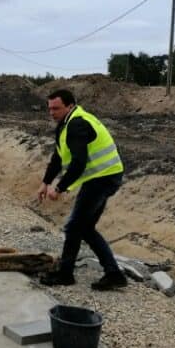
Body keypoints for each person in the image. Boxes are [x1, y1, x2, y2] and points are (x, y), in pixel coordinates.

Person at [37, 89, 127, 290]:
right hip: (105, 177)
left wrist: (59, 188)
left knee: (74, 226)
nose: (52, 113)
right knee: (85, 228)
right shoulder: (66, 124)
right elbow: (58, 157)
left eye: (56, 108)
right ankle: (114, 274)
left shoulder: (77, 124)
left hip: (103, 179)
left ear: (69, 106)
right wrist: (45, 182)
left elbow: (79, 163)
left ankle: (65, 274)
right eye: (49, 109)